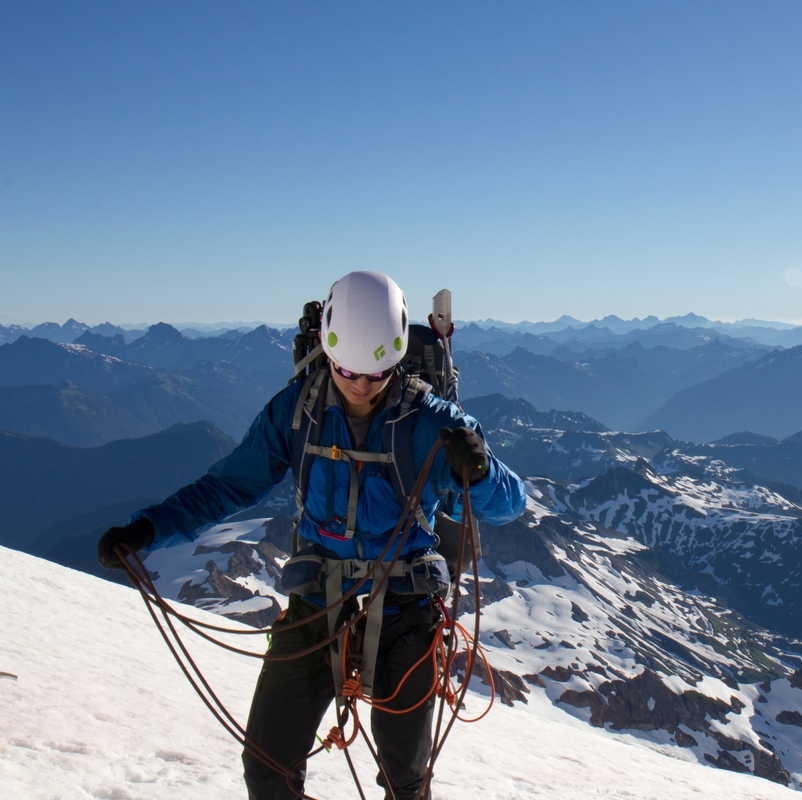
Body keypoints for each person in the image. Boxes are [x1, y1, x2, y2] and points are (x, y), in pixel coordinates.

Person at [97, 271, 527, 800]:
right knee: (266, 769)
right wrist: (148, 528)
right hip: (318, 601)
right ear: (327, 351)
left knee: (406, 785)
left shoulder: (431, 422)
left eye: (376, 373)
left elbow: (509, 505)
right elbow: (229, 484)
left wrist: (481, 469)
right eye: (347, 370)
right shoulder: (297, 409)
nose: (360, 385)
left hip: (405, 609)